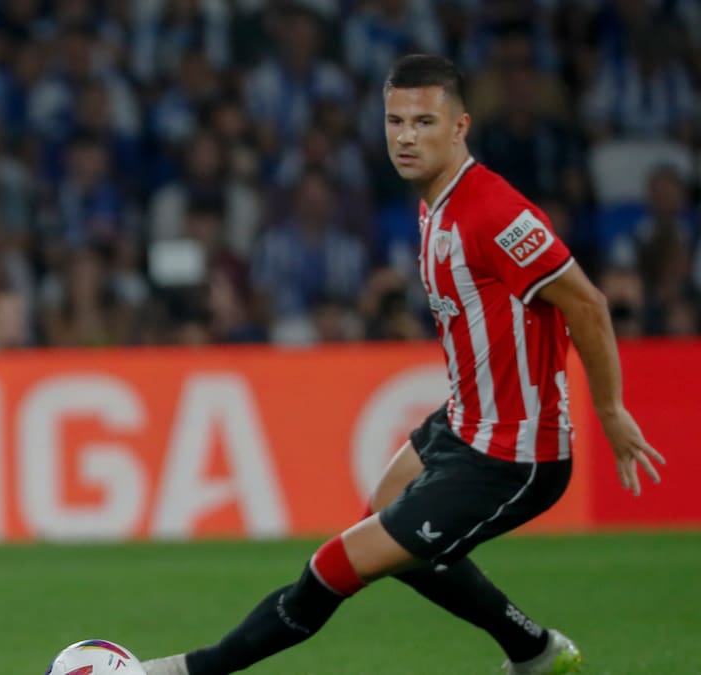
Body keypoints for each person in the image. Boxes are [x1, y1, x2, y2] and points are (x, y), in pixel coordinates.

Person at [144, 54, 666, 675]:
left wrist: (610, 410)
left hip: (514, 455)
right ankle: (535, 651)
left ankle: (179, 672)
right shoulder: (433, 204)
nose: (406, 137)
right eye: (395, 122)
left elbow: (587, 303)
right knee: (385, 530)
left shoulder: (496, 213)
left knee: (335, 565)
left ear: (460, 126)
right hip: (462, 424)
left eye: (424, 122)